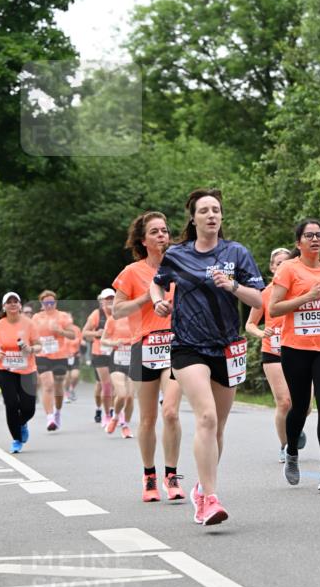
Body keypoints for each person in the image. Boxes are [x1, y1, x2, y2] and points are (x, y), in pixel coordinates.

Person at [151, 188, 264, 527]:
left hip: (227, 346)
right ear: (194, 218)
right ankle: (210, 500)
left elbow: (258, 300)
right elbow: (156, 283)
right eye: (205, 211)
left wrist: (232, 287)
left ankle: (202, 487)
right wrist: (159, 301)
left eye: (216, 210)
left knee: (217, 429)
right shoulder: (177, 254)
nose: (212, 215)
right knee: (207, 418)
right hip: (188, 347)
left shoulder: (237, 253)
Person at [112, 211, 184, 503]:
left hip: (177, 347)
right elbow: (117, 311)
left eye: (165, 231)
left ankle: (171, 475)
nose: (162, 236)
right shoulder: (132, 272)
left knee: (171, 412)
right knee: (148, 418)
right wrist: (146, 298)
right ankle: (149, 475)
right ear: (143, 240)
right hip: (143, 348)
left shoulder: (180, 266)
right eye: (155, 232)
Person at [270, 219, 320, 490]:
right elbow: (275, 308)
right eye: (309, 235)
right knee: (299, 406)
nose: (315, 239)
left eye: (319, 235)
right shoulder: (289, 270)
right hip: (295, 348)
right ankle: (292, 453)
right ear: (298, 242)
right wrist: (306, 297)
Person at [245, 247, 308, 463]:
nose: (283, 267)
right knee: (284, 402)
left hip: (301, 349)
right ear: (272, 267)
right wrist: (262, 332)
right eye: (278, 263)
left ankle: (294, 425)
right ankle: (286, 446)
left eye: (287, 262)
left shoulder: (300, 288)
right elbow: (250, 324)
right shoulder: (264, 293)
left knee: (305, 406)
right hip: (273, 350)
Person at [0, 293, 41, 452]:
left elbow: (39, 346)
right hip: (5, 369)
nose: (12, 304)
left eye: (15, 301)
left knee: (28, 408)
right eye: (9, 302)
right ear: (4, 307)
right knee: (11, 404)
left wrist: (30, 349)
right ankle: (17, 439)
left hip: (27, 370)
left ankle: (21, 423)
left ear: (20, 305)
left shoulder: (29, 324)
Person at [31, 291, 75, 431]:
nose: (49, 305)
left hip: (60, 355)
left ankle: (57, 412)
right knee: (48, 385)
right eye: (46, 303)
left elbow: (72, 335)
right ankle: (49, 417)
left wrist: (60, 331)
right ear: (42, 304)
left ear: (55, 303)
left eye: (52, 302)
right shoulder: (36, 317)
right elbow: (31, 335)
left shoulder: (63, 316)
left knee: (58, 386)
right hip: (42, 355)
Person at [101, 304, 135, 438]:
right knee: (121, 394)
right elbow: (103, 340)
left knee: (131, 397)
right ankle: (115, 417)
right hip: (117, 360)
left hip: (134, 360)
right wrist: (114, 343)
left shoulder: (139, 318)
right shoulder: (113, 319)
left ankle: (125, 425)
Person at [82, 291, 115, 425]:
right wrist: (96, 333)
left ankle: (112, 410)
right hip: (99, 353)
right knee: (102, 384)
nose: (110, 301)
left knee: (114, 384)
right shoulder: (97, 314)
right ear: (101, 301)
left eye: (112, 298)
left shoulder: (119, 313)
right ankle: (99, 409)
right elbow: (84, 333)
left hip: (115, 352)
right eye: (107, 299)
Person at [63, 321, 83, 402]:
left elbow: (81, 341)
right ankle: (65, 394)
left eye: (69, 318)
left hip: (75, 356)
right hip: (64, 357)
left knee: (75, 376)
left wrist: (80, 351)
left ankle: (71, 389)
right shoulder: (61, 329)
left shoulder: (76, 329)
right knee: (66, 377)